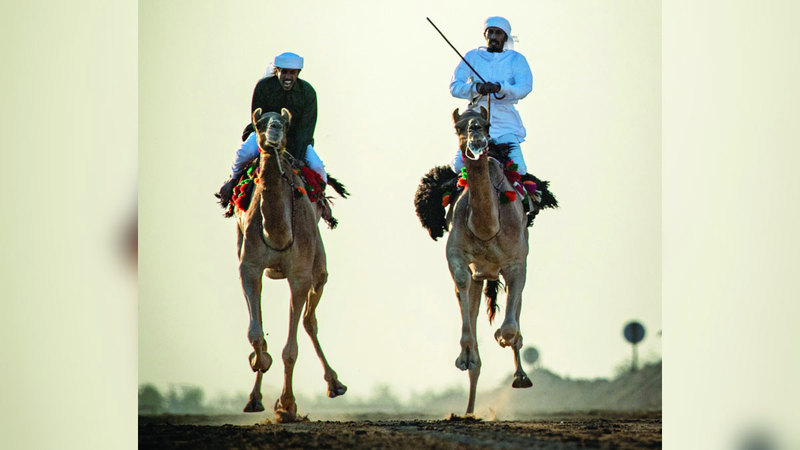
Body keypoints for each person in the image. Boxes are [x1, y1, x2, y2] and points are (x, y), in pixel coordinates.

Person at [217, 51, 327, 205]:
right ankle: (232, 181)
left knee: (318, 167)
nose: (288, 77)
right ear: (278, 71)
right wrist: (265, 139)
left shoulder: (307, 93)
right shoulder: (264, 87)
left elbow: (306, 129)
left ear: (298, 73)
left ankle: (321, 204)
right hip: (265, 135)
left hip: (296, 141)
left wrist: (297, 157)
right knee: (244, 152)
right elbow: (257, 119)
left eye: (292, 73)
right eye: (284, 72)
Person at [449, 16, 533, 175]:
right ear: (485, 35)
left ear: (505, 37)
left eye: (498, 33)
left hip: (505, 122)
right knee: (458, 166)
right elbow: (454, 87)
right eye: (491, 32)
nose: (494, 37)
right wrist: (476, 88)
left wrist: (500, 88)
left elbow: (525, 87)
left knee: (520, 169)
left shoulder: (516, 59)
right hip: (475, 123)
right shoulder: (472, 56)